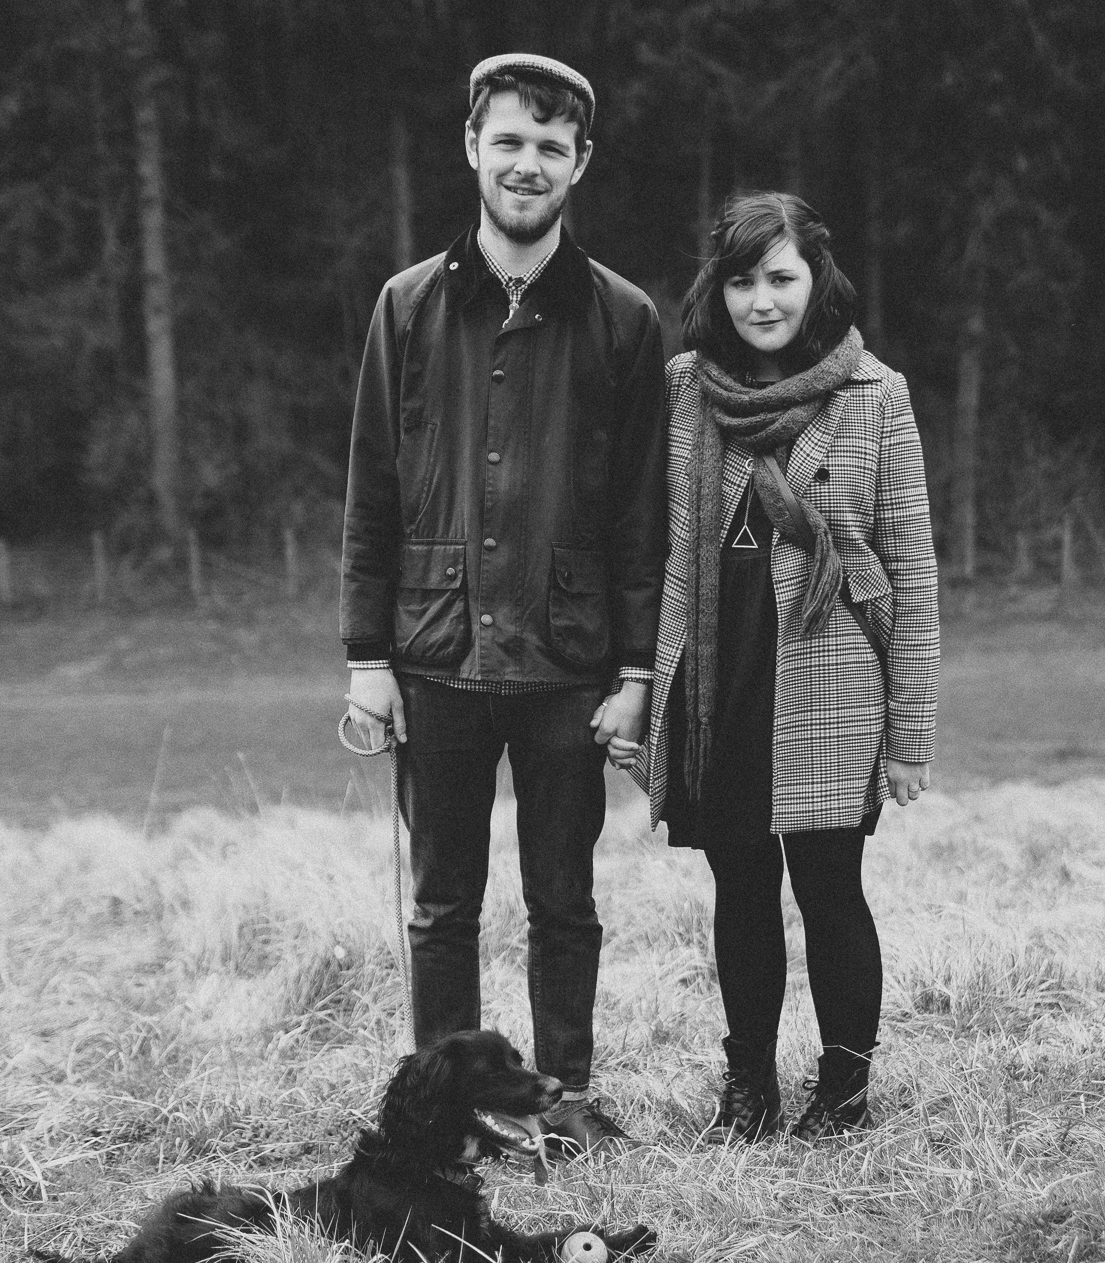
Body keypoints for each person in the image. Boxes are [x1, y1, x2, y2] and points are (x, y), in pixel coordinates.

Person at [339, 53, 666, 1161]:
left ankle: (559, 1092)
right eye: (509, 141)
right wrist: (363, 654)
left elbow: (638, 514)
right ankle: (446, 1112)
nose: (527, 163)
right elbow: (371, 489)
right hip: (431, 654)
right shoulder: (407, 306)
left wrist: (635, 675)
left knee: (563, 900)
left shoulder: (623, 319)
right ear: (471, 149)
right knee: (441, 904)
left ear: (580, 165)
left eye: (550, 146)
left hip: (569, 661)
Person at [611, 192, 938, 1142]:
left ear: (816, 280)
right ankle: (749, 1083)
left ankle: (843, 1088)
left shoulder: (875, 394)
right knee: (739, 886)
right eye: (744, 279)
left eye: (782, 277)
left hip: (831, 678)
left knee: (831, 888)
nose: (763, 299)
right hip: (719, 675)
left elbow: (911, 568)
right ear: (722, 286)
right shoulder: (684, 388)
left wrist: (910, 734)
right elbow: (657, 539)